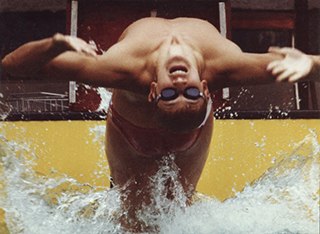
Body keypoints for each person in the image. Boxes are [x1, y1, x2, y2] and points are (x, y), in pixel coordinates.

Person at [2, 17, 319, 231]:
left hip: (189, 132)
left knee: (180, 217)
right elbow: (10, 66)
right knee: (133, 224)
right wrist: (312, 63)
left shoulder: (128, 70)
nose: (181, 82)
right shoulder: (133, 69)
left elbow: (13, 66)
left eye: (176, 93)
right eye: (185, 92)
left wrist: (54, 45)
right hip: (133, 133)